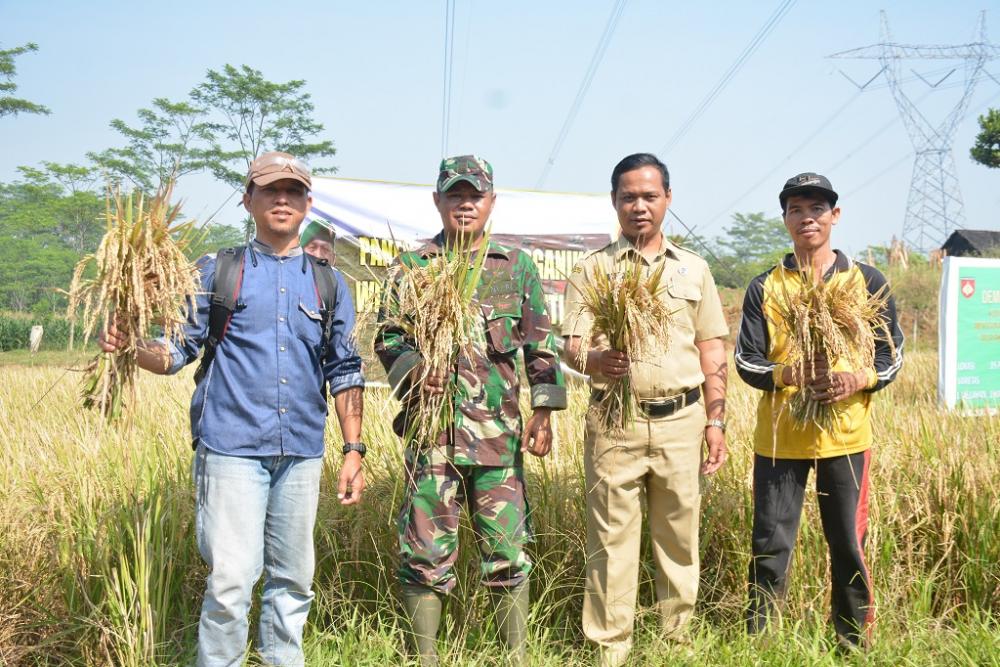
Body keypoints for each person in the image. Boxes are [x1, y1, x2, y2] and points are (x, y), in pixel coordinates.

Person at [99, 151, 366, 667]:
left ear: (308, 203)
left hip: (303, 452)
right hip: (232, 449)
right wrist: (134, 345)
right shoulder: (219, 271)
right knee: (230, 583)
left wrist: (353, 449)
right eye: (270, 190)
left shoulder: (329, 283)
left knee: (293, 581)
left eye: (292, 191)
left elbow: (345, 369)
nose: (282, 199)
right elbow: (176, 351)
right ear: (249, 200)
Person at [374, 155, 567, 666]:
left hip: (498, 440)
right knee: (423, 554)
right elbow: (387, 337)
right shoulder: (412, 268)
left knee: (507, 552)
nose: (465, 203)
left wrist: (544, 411)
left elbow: (541, 347)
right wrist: (414, 369)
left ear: (491, 202)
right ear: (437, 201)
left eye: (474, 195)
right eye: (454, 195)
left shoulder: (515, 267)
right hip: (431, 435)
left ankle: (516, 658)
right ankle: (427, 659)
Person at [562, 153, 729, 666]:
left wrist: (716, 420)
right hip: (616, 421)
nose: (639, 206)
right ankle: (611, 648)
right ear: (614, 202)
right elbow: (570, 345)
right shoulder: (593, 270)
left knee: (678, 538)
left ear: (668, 200)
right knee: (612, 541)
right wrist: (593, 360)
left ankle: (675, 643)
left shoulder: (695, 270)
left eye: (649, 196)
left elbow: (713, 349)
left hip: (683, 420)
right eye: (629, 196)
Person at [734, 172, 904, 650]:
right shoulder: (766, 286)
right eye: (796, 209)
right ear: (785, 219)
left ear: (835, 215)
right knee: (770, 546)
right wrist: (790, 375)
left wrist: (858, 379)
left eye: (816, 208)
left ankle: (852, 645)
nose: (806, 218)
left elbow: (891, 356)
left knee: (848, 546)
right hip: (780, 438)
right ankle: (759, 645)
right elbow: (747, 361)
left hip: (847, 438)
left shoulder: (866, 281)